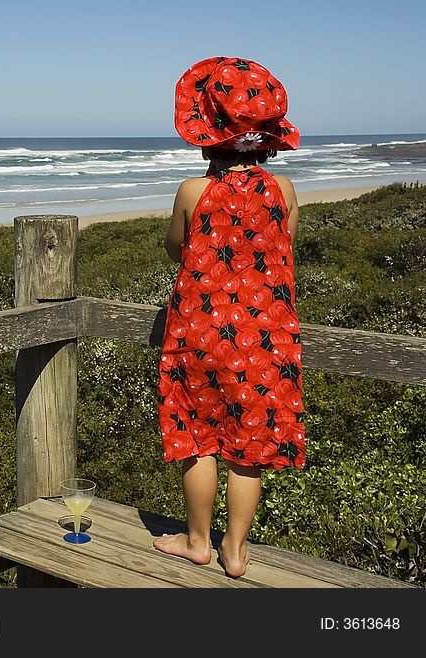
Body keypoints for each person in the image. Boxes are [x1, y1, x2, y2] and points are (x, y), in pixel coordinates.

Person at [153, 56, 306, 579]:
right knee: (250, 444)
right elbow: (283, 247)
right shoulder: (282, 190)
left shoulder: (194, 192)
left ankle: (198, 541)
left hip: (199, 333)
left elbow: (176, 249)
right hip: (266, 336)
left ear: (206, 137)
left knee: (198, 435)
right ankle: (235, 552)